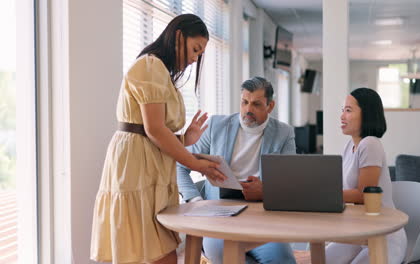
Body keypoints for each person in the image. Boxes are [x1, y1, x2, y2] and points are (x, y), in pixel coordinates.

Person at [90, 14, 226, 264]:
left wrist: (185, 138)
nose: (196, 58)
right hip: (136, 166)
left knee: (157, 250)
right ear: (178, 36)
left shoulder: (158, 70)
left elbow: (153, 130)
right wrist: (195, 164)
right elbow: (154, 130)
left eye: (200, 53)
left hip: (147, 162)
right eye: (195, 49)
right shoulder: (150, 66)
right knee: (150, 251)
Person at [177, 76, 297, 264]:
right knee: (228, 259)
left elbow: (291, 182)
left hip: (262, 216)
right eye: (245, 102)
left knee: (283, 261)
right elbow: (179, 165)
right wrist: (196, 200)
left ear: (270, 106)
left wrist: (267, 190)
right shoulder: (216, 126)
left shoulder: (284, 133)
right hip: (219, 216)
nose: (248, 109)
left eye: (256, 104)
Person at [325, 88, 407, 264]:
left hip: (383, 235)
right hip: (360, 230)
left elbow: (363, 195)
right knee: (315, 259)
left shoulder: (370, 144)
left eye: (348, 110)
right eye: (342, 110)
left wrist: (321, 194)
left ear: (366, 114)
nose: (342, 116)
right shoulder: (349, 146)